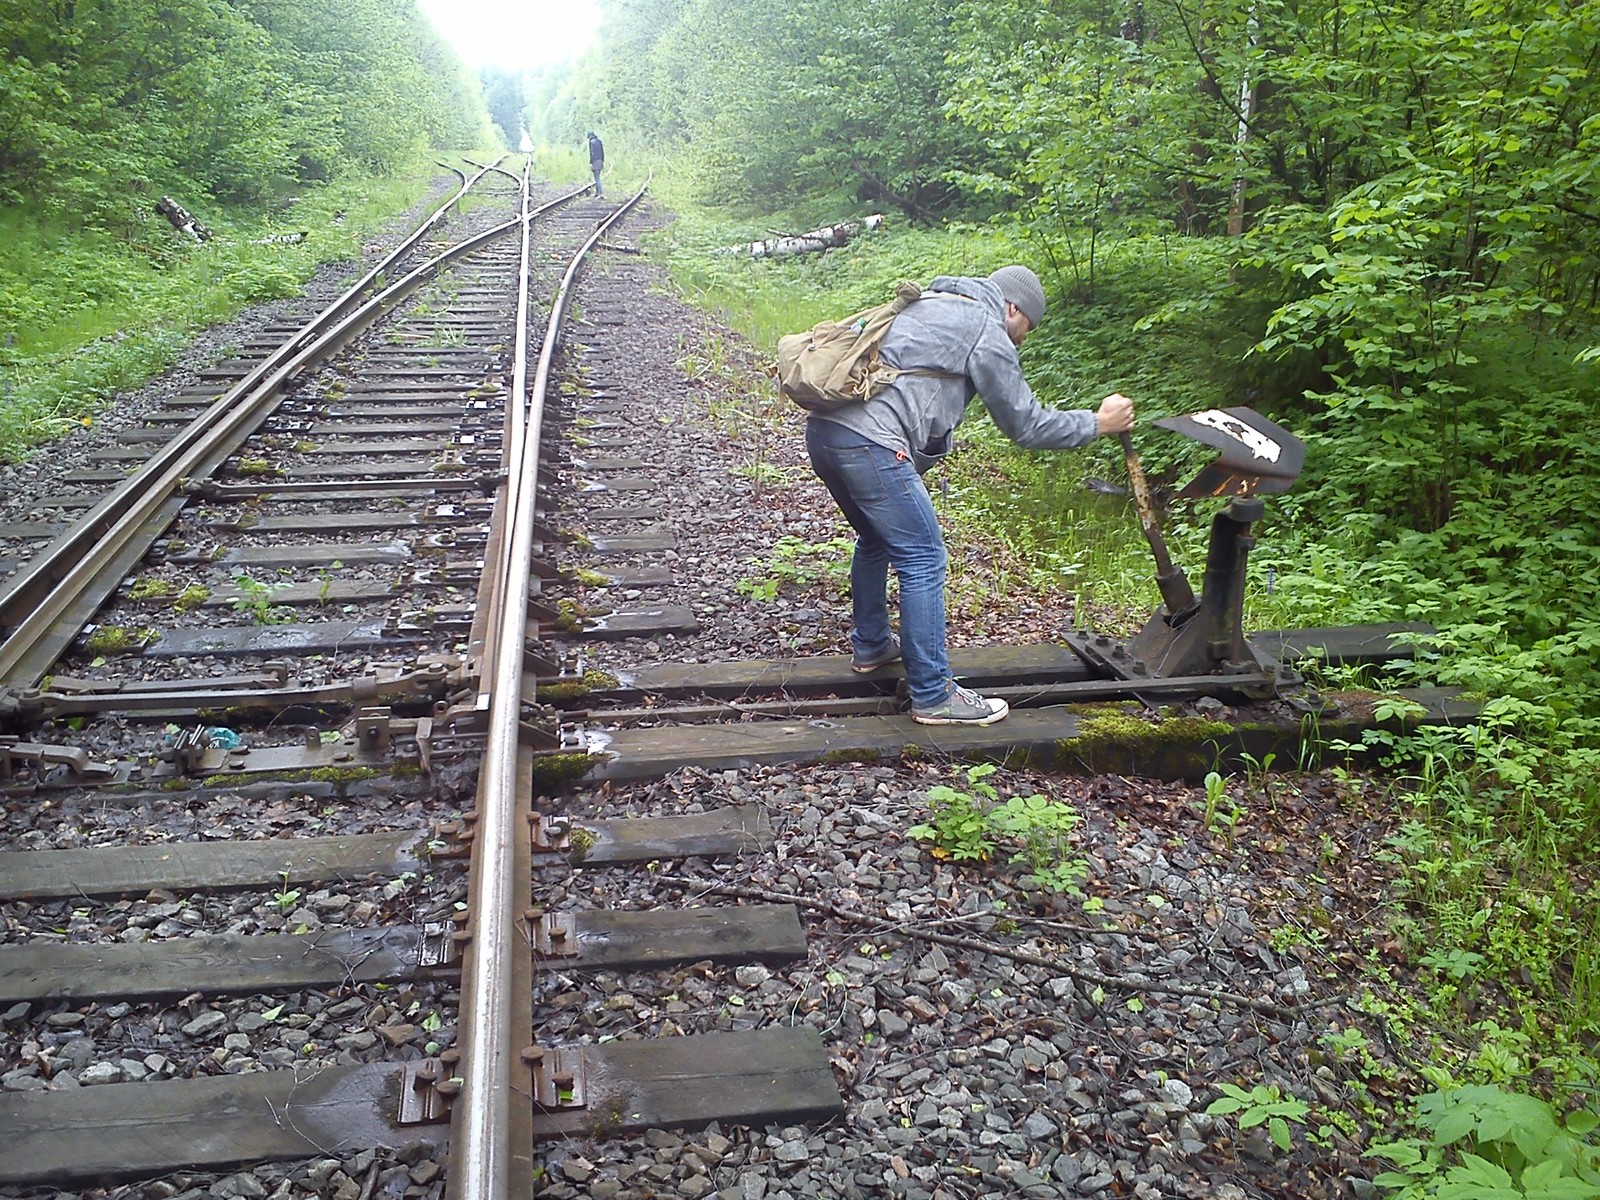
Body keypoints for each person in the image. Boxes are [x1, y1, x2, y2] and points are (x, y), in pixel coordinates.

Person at [805, 265, 1136, 725]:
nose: (1022, 340)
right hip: (869, 442)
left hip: (824, 432)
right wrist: (1097, 424)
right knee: (924, 557)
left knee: (878, 539)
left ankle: (874, 645)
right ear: (1013, 308)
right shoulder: (984, 325)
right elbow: (1027, 424)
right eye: (1026, 328)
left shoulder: (930, 304)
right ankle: (934, 695)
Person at [586, 131, 605, 197]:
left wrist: (591, 162)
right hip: (600, 161)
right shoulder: (599, 141)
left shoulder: (591, 142)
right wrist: (602, 160)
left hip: (595, 161)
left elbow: (592, 153)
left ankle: (601, 193)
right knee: (598, 176)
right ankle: (597, 193)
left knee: (597, 178)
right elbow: (602, 152)